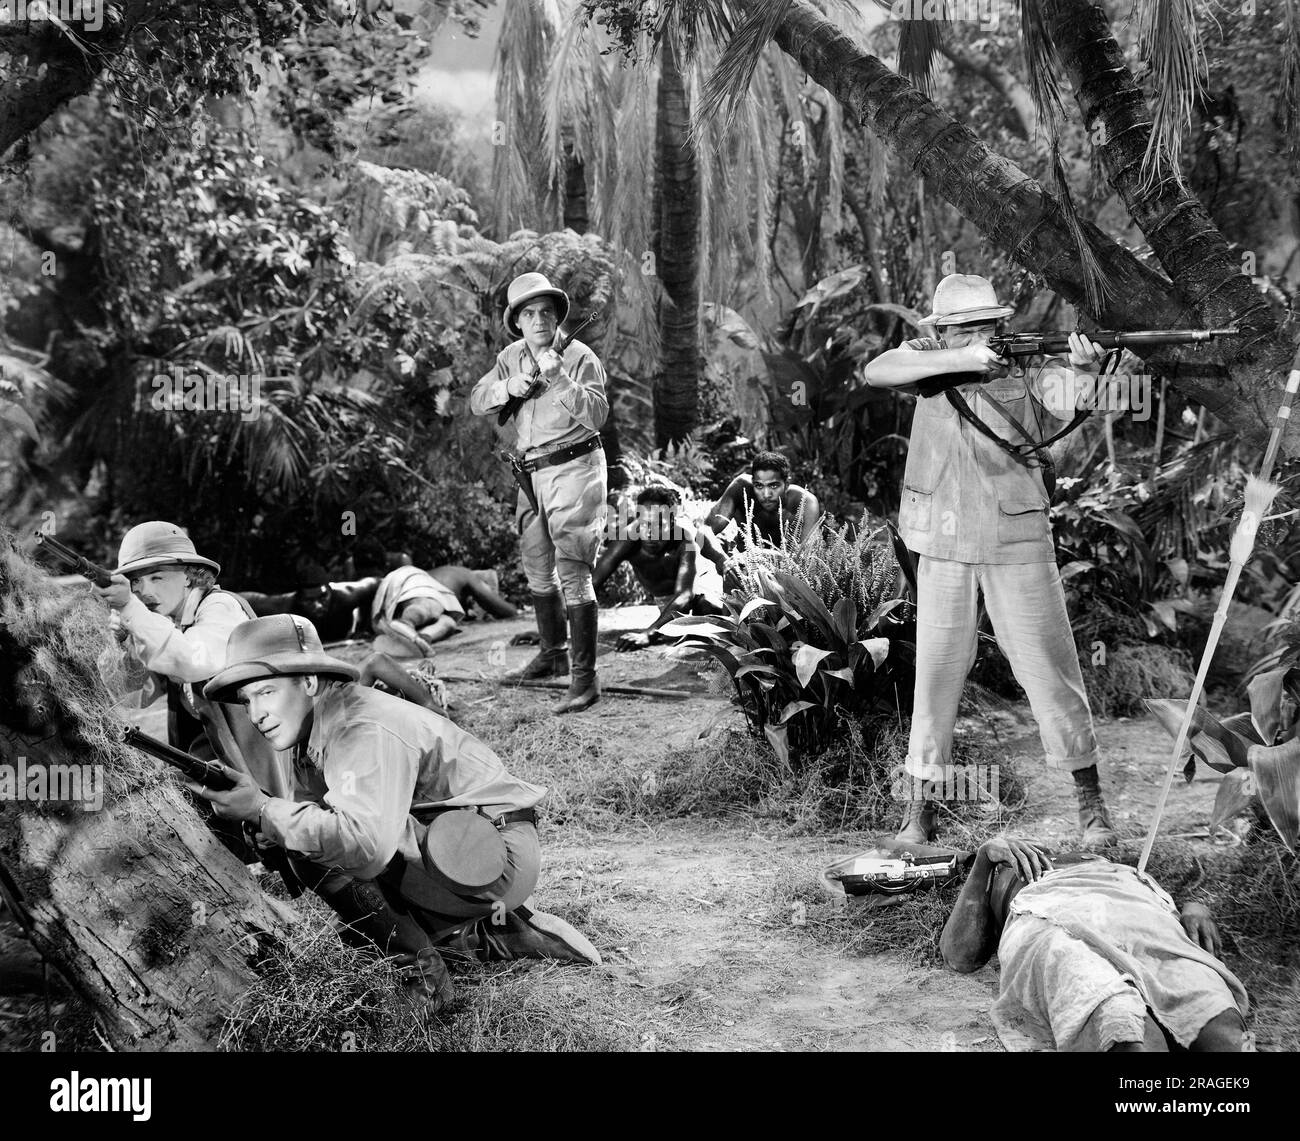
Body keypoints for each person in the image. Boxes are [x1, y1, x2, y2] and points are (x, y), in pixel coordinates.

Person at [198, 615, 602, 1013]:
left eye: (266, 692)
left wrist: (265, 809)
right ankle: (494, 933)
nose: (255, 714)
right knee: (307, 841)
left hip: (493, 855)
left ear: (307, 682)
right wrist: (267, 826)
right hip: (461, 845)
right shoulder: (313, 725)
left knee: (320, 849)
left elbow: (363, 847)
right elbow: (312, 812)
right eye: (247, 700)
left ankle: (425, 976)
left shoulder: (359, 726)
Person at [864, 274, 1118, 849]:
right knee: (934, 675)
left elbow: (1064, 417)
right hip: (944, 539)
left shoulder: (1025, 365)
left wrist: (1083, 373)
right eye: (965, 328)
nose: (982, 335)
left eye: (987, 327)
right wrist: (963, 355)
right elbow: (878, 371)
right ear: (943, 331)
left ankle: (1092, 810)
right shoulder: (925, 360)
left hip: (1015, 534)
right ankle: (919, 814)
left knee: (1051, 669)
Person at [940, 838, 1247, 1052]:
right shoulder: (999, 873)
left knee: (1214, 1016)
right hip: (1052, 913)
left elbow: (1173, 891)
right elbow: (959, 956)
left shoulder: (1118, 866)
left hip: (1137, 908)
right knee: (1116, 1021)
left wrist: (1194, 907)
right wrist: (984, 857)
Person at [90, 521, 289, 844]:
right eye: (137, 582)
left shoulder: (219, 607)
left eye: (158, 577)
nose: (146, 591)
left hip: (260, 757)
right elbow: (126, 691)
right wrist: (122, 641)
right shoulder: (162, 623)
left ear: (190, 576)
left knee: (285, 841)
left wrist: (131, 609)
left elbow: (193, 661)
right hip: (211, 759)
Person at [469, 272, 609, 714]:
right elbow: (477, 399)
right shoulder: (510, 357)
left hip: (575, 466)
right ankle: (552, 655)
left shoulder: (581, 355)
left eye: (546, 311)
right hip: (531, 473)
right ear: (518, 321)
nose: (539, 319)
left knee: (573, 570)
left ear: (557, 315)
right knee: (536, 565)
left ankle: (584, 681)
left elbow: (599, 415)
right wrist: (508, 386)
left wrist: (561, 381)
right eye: (528, 313)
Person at [593, 486, 728, 651]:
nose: (650, 533)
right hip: (669, 601)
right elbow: (593, 582)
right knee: (682, 629)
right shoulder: (627, 538)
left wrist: (648, 634)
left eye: (658, 526)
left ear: (671, 524)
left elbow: (685, 594)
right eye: (644, 524)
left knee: (709, 608)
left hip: (698, 586)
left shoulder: (685, 540)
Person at [241, 562, 379, 644]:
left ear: (330, 589)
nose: (318, 605)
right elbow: (251, 599)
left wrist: (366, 627)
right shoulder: (286, 604)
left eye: (323, 597)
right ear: (299, 598)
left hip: (346, 643)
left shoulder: (346, 594)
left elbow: (379, 583)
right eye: (309, 601)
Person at [706, 451, 821, 550]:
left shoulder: (805, 502)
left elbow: (803, 558)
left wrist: (756, 556)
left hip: (784, 572)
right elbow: (704, 532)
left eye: (773, 486)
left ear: (786, 485)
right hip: (738, 567)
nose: (766, 495)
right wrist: (722, 561)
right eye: (759, 486)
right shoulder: (741, 488)